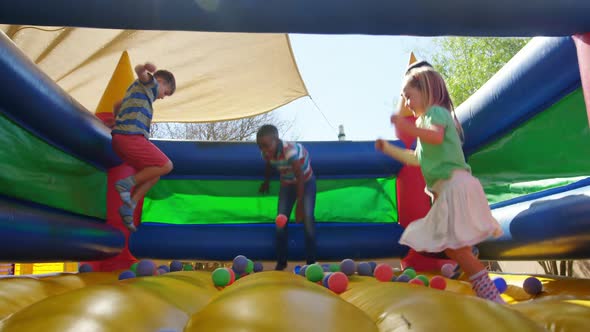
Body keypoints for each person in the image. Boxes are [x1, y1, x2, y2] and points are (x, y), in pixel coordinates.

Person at [375, 66, 505, 303]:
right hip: (449, 189)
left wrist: (407, 127)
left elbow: (434, 136)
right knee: (452, 246)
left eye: (408, 95)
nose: (406, 101)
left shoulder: (436, 113)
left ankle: (490, 295)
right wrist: (389, 149)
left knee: (455, 247)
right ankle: (480, 279)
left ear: (425, 91)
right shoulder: (424, 123)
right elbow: (415, 158)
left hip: (456, 185)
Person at [110, 62, 176, 232]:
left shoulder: (136, 93)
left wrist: (116, 121)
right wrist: (145, 69)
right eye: (165, 93)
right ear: (160, 81)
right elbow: (140, 71)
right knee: (166, 166)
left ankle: (129, 206)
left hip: (120, 140)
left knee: (154, 175)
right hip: (130, 136)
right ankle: (126, 184)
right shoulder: (150, 84)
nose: (162, 97)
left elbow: (117, 105)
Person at [257, 124, 316, 270]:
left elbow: (300, 176)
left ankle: (311, 263)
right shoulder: (266, 153)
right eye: (260, 147)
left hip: (306, 182)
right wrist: (266, 181)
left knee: (308, 220)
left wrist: (299, 204)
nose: (264, 150)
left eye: (266, 145)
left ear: (276, 140)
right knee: (280, 223)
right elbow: (269, 165)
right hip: (287, 184)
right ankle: (282, 262)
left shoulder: (289, 151)